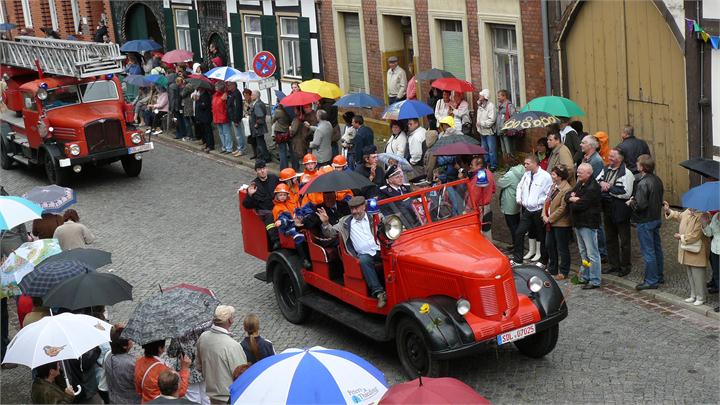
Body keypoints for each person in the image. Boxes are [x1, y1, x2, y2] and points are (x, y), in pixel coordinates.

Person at [320, 196, 387, 308]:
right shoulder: (345, 222)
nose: (354, 212)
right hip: (364, 254)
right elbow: (330, 233)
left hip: (381, 249)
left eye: (357, 208)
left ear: (364, 206)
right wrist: (326, 223)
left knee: (395, 255)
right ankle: (379, 293)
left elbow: (389, 228)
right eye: (352, 209)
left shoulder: (376, 216)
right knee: (364, 260)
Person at [196, 305, 247, 404]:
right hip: (229, 398)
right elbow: (242, 376)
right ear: (230, 321)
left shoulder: (203, 337)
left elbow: (198, 366)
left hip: (212, 396)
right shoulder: (232, 346)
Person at [628, 154, 665, 290]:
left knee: (648, 251)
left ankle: (651, 281)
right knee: (657, 249)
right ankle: (659, 275)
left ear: (642, 167)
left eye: (638, 163)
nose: (636, 165)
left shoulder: (643, 183)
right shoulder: (657, 179)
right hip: (655, 218)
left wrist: (631, 202)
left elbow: (640, 206)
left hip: (645, 221)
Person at [597, 148, 634, 277]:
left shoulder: (627, 173)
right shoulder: (606, 169)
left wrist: (609, 189)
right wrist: (602, 183)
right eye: (609, 156)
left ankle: (625, 266)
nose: (609, 158)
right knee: (610, 238)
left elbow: (626, 193)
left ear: (620, 158)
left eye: (612, 156)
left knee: (624, 241)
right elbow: (596, 181)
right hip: (607, 209)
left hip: (621, 210)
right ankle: (614, 265)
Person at [663, 202, 709, 306]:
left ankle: (701, 297)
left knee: (698, 275)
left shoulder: (703, 215)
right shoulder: (688, 211)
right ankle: (693, 295)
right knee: (690, 274)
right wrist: (668, 211)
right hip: (687, 249)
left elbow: (696, 235)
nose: (690, 208)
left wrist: (681, 237)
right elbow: (679, 215)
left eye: (693, 206)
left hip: (698, 250)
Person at [567, 163, 603, 289]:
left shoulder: (593, 187)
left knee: (592, 253)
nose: (577, 174)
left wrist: (574, 200)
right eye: (578, 171)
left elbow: (581, 205)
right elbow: (567, 196)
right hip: (579, 223)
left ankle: (595, 280)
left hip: (588, 224)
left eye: (580, 172)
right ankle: (585, 276)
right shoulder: (580, 184)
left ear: (589, 173)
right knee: (583, 253)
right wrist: (573, 199)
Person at [512, 155, 552, 266]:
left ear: (535, 164)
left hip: (539, 210)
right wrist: (519, 198)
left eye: (527, 163)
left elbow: (549, 194)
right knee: (519, 232)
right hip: (528, 209)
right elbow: (519, 186)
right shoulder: (526, 174)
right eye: (525, 163)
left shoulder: (545, 176)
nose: (525, 165)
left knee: (541, 235)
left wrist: (538, 201)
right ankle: (518, 259)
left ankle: (544, 261)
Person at [543, 165, 573, 280]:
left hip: (561, 223)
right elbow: (547, 200)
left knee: (562, 248)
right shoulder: (553, 186)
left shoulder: (567, 189)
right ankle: (552, 268)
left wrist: (550, 218)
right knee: (549, 245)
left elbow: (563, 208)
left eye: (554, 174)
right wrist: (544, 214)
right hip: (549, 222)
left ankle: (564, 271)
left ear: (560, 176)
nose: (552, 176)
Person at [242, 160, 280, 250]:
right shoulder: (253, 185)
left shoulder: (274, 178)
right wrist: (250, 195)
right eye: (259, 169)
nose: (262, 171)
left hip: (277, 206)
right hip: (264, 211)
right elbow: (246, 205)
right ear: (256, 171)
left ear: (266, 169)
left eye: (263, 168)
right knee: (269, 216)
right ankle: (275, 240)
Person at [104, 325, 140, 404]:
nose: (132, 340)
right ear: (124, 346)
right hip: (131, 400)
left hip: (114, 398)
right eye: (130, 339)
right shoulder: (132, 363)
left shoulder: (108, 357)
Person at [496, 155, 524, 248]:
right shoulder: (522, 169)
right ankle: (517, 244)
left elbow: (500, 183)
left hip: (509, 202)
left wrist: (503, 175)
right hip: (516, 200)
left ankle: (517, 246)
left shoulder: (510, 174)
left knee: (512, 225)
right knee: (517, 223)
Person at [467, 156, 496, 241]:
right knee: (487, 230)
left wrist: (468, 209)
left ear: (479, 165)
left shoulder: (479, 176)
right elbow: (493, 189)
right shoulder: (489, 172)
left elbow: (474, 195)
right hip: (487, 206)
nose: (470, 166)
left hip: (479, 208)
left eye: (472, 164)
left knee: (480, 232)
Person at [475, 89, 497, 170]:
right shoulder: (480, 105)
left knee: (491, 150)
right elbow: (479, 117)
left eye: (481, 95)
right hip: (482, 131)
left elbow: (492, 120)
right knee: (484, 150)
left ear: (485, 96)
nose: (479, 96)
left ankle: (493, 165)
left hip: (489, 131)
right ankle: (487, 164)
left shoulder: (491, 106)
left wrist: (481, 123)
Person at [272, 97, 294, 169]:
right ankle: (295, 166)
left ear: (278, 102)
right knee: (291, 150)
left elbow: (272, 120)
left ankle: (284, 168)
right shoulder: (289, 111)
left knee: (282, 151)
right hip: (288, 131)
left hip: (280, 132)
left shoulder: (278, 111)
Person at [249, 90, 271, 162]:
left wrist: (257, 124)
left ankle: (265, 157)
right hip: (258, 127)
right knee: (260, 142)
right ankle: (262, 156)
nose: (251, 96)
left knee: (260, 143)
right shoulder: (257, 103)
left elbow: (260, 116)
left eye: (252, 95)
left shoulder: (258, 104)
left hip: (258, 128)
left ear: (256, 96)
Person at [211, 82, 232, 154]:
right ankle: (224, 147)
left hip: (223, 117)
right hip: (217, 117)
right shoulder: (215, 95)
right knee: (221, 133)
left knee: (226, 133)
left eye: (217, 86)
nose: (215, 88)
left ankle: (229, 148)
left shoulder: (225, 95)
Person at [496, 89, 516, 158]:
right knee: (504, 151)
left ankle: (511, 163)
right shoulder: (500, 106)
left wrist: (508, 128)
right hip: (501, 132)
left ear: (504, 96)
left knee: (509, 151)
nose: (498, 97)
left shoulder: (509, 106)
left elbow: (513, 118)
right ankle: (507, 162)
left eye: (499, 96)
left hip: (507, 132)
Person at [226, 81, 245, 156]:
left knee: (239, 134)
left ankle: (241, 149)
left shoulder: (237, 94)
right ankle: (239, 148)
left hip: (236, 117)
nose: (228, 86)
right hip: (232, 117)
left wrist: (236, 120)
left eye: (229, 85)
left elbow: (237, 108)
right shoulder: (231, 93)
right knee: (237, 134)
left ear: (234, 85)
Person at [194, 88, 214, 153]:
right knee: (204, 132)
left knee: (208, 132)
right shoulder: (201, 95)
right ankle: (206, 144)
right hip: (201, 117)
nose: (198, 89)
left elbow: (204, 105)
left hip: (206, 117)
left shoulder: (206, 95)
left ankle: (210, 145)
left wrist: (198, 101)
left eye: (199, 88)